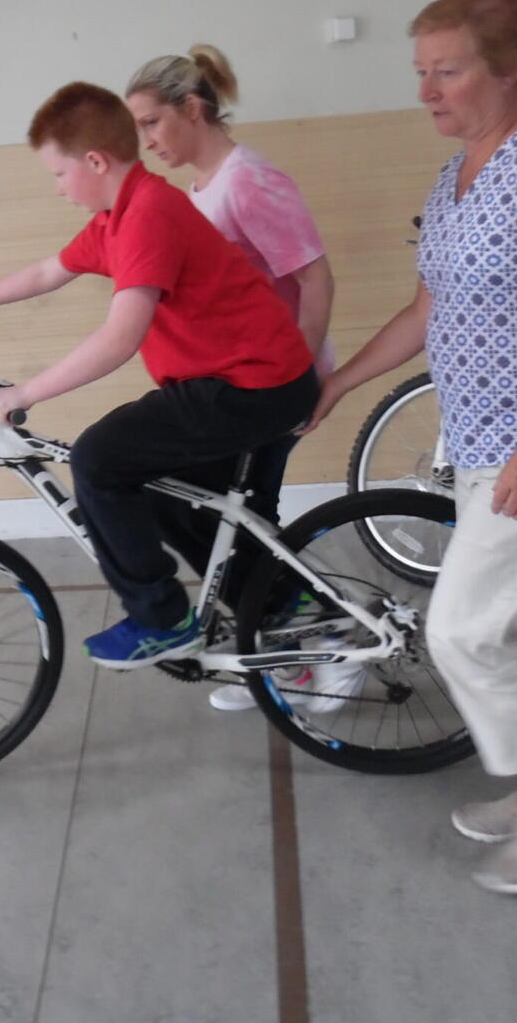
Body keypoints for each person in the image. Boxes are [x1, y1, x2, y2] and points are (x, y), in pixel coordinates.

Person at [303, 0, 517, 895]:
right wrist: (339, 381)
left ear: (509, 68)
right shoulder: (456, 177)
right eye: (421, 72)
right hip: (486, 441)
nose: (426, 90)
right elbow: (428, 310)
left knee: (465, 629)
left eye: (446, 71)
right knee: (516, 623)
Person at [0, 82, 319, 669]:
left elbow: (121, 338)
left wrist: (24, 393)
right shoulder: (119, 216)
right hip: (244, 380)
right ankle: (277, 602)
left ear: (95, 162)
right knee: (167, 494)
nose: (58, 187)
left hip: (254, 385)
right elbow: (50, 270)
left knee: (99, 459)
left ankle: (162, 621)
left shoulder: (148, 216)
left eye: (59, 174)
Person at [124, 46, 353, 713]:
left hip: (271, 382)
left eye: (152, 123)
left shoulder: (249, 180)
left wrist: (298, 377)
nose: (146, 141)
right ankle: (279, 652)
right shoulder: (201, 189)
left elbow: (315, 279)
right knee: (224, 513)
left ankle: (329, 639)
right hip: (232, 382)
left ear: (193, 109)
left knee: (239, 515)